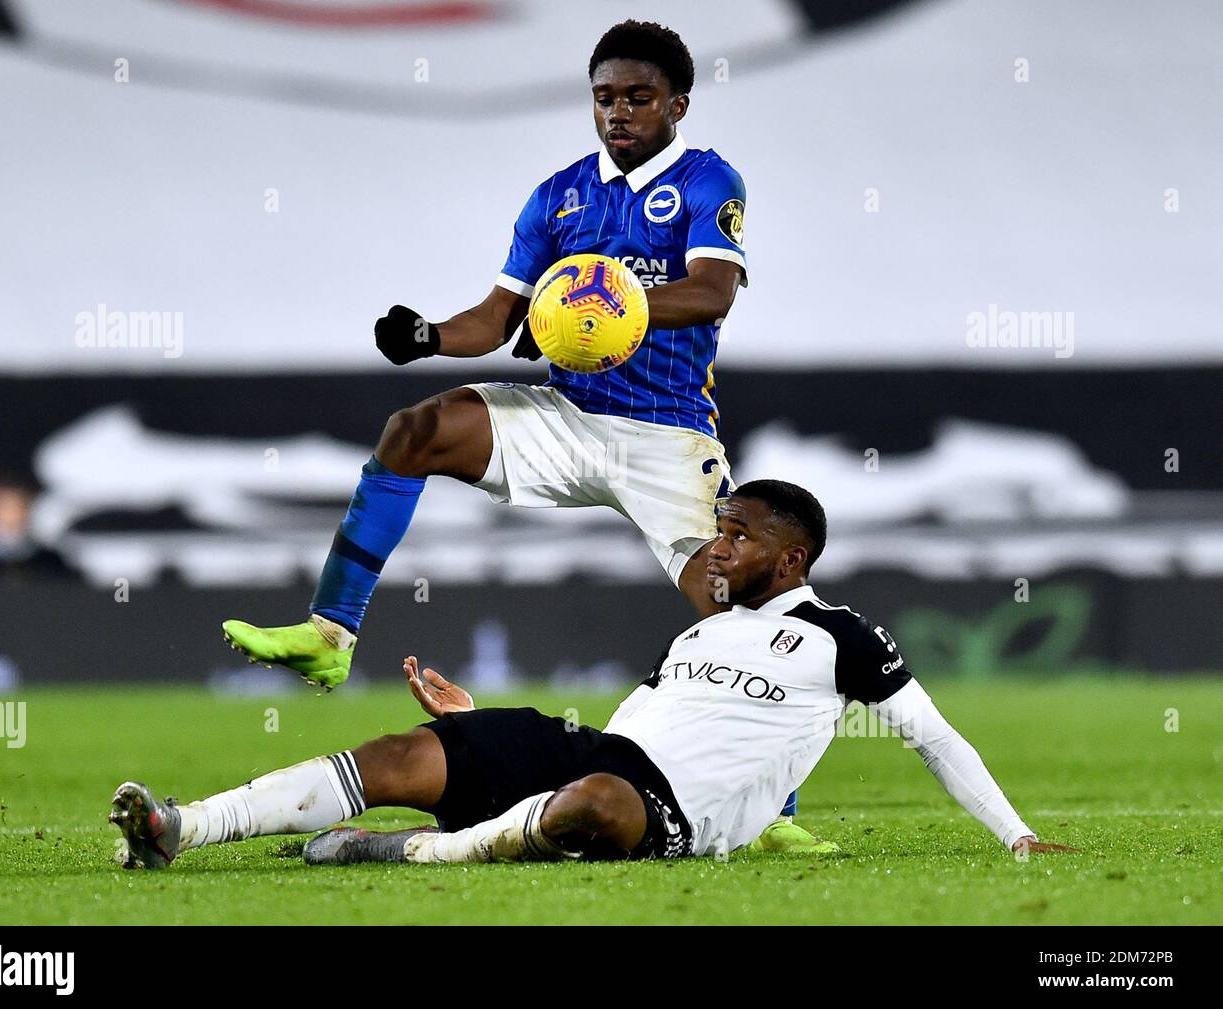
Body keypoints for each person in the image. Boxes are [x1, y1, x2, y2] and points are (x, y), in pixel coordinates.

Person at [221, 18, 823, 852]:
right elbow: (501, 317)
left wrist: (603, 306)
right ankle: (329, 634)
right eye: (605, 97)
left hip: (665, 437)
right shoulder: (560, 194)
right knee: (416, 429)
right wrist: (430, 335)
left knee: (735, 612)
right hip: (566, 417)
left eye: (639, 98)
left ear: (678, 105)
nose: (619, 113)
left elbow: (712, 291)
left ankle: (774, 814)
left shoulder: (707, 181)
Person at [112, 481, 1074, 869]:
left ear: (792, 557)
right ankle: (184, 826)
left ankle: (400, 853)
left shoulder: (841, 637)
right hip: (605, 751)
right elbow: (639, 715)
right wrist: (485, 724)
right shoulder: (699, 634)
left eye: (738, 534)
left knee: (599, 801)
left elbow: (935, 738)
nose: (718, 542)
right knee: (417, 749)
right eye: (718, 526)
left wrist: (1021, 838)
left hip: (667, 813)